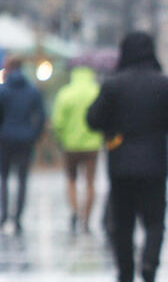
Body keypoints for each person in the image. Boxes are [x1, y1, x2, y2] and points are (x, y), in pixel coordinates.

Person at [86, 31, 168, 282]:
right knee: (155, 221)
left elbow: (93, 119)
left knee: (121, 224)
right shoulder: (166, 85)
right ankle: (149, 267)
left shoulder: (113, 85)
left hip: (121, 164)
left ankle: (125, 280)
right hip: (155, 164)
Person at [51, 66, 103, 233]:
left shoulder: (65, 93)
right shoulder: (96, 91)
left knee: (71, 180)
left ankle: (74, 210)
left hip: (70, 145)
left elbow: (57, 121)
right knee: (90, 183)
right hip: (92, 145)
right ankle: (86, 218)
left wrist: (60, 137)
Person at [0, 55, 46, 234]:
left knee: (4, 178)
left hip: (4, 139)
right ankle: (18, 216)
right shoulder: (32, 90)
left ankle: (3, 215)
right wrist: (34, 135)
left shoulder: (3, 91)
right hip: (25, 139)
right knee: (22, 179)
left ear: (9, 67)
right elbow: (41, 115)